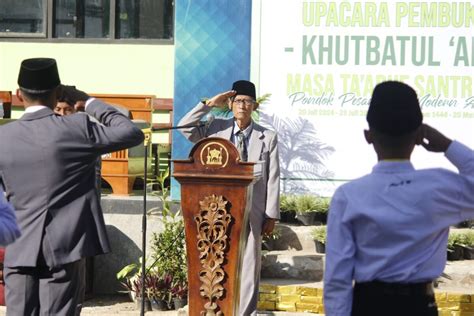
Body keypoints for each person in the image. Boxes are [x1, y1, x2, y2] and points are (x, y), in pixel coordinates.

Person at [0, 57, 144, 316]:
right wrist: (88, 102)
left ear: (19, 95)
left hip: (18, 245)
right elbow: (131, 132)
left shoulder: (3, 137)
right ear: (58, 93)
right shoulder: (78, 128)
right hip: (64, 247)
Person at [323, 81, 474, 316]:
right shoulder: (440, 186)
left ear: (368, 136)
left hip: (367, 306)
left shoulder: (349, 196)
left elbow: (337, 279)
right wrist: (447, 145)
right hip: (419, 307)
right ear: (419, 136)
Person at [178, 80, 280, 315]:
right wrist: (209, 104)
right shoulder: (215, 128)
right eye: (238, 101)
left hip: (252, 209)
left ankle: (244, 312)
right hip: (217, 208)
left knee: (249, 264)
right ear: (230, 104)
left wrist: (271, 214)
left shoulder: (267, 137)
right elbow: (185, 127)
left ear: (254, 106)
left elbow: (273, 176)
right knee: (217, 260)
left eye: (248, 102)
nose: (242, 106)